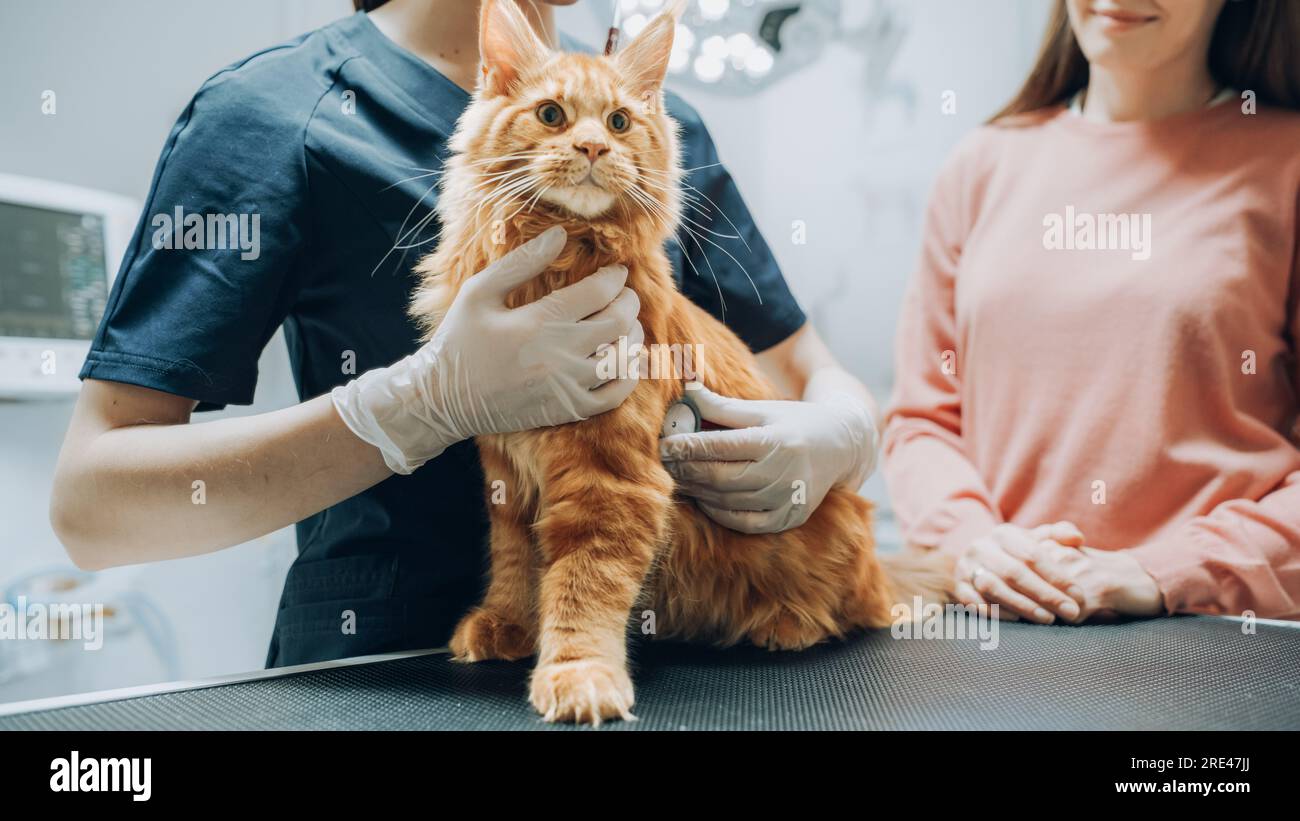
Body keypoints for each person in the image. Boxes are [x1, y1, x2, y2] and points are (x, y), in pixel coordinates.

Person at [49, 0, 880, 667]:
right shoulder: (270, 114)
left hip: (689, 669)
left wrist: (845, 432)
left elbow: (808, 368)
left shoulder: (657, 124)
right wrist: (416, 405)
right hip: (384, 674)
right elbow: (94, 506)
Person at [884, 0, 1300, 623]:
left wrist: (1168, 570)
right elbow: (922, 421)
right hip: (998, 628)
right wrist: (975, 544)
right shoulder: (981, 164)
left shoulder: (1287, 163)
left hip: (1210, 644)